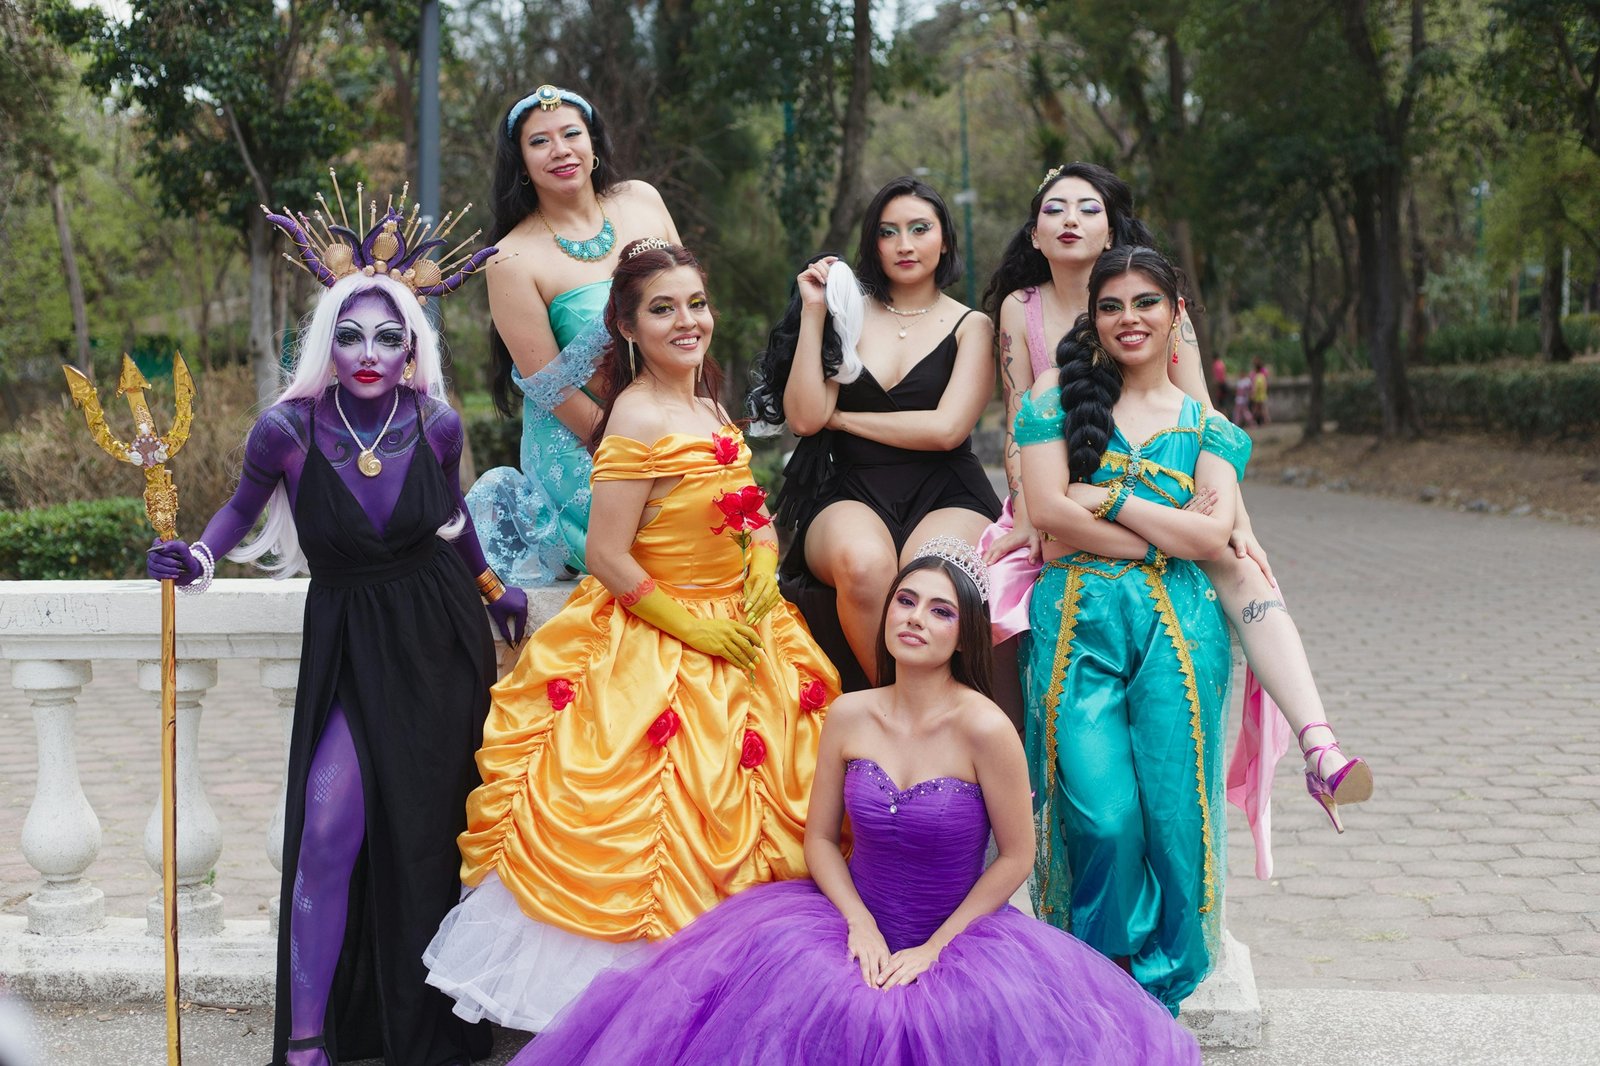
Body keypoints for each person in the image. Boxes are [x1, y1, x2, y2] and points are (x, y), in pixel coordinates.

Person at [508, 543, 1201, 1065]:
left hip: (954, 936)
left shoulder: (985, 727)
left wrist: (936, 948)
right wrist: (859, 927)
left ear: (964, 633)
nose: (915, 619)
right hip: (849, 926)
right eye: (905, 601)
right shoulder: (849, 713)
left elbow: (1016, 857)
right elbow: (818, 841)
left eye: (940, 611)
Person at [147, 187, 527, 1066]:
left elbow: (451, 521)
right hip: (352, 635)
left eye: (388, 337)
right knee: (326, 830)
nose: (368, 352)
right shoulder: (285, 428)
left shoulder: (434, 423)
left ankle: (425, 1028)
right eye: (350, 335)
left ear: (412, 348)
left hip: (438, 638)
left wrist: (490, 582)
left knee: (428, 837)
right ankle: (310, 1040)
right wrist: (197, 562)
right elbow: (236, 515)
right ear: (326, 342)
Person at [425, 239, 841, 1032]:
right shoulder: (637, 417)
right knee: (658, 815)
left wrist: (760, 559)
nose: (687, 322)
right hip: (658, 637)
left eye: (696, 304)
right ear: (626, 325)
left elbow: (749, 507)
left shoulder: (710, 407)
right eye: (663, 309)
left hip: (748, 632)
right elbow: (611, 557)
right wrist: (693, 627)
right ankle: (651, 1019)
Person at [980, 163, 1371, 860]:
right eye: (1054, 208)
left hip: (1163, 480)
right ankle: (1023, 798)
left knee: (1244, 569)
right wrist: (1023, 512)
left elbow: (1204, 419)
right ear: (1034, 231)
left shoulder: (1154, 298)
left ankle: (1320, 745)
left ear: (1112, 226)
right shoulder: (1021, 306)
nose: (1071, 219)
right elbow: (1017, 417)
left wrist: (1239, 527)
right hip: (1060, 483)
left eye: (1088, 207)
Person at [1017, 247, 1363, 1014]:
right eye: (1111, 306)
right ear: (1093, 318)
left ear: (1178, 314)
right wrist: (1168, 531)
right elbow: (1046, 517)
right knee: (1102, 817)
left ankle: (1155, 1003)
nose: (1128, 319)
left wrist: (1103, 502)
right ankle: (1092, 984)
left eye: (1146, 303)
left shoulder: (1209, 426)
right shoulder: (1054, 397)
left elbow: (1212, 545)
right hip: (1078, 627)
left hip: (1182, 635)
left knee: (1177, 819)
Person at [750, 176, 1000, 691]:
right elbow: (802, 418)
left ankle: (938, 713)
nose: (904, 244)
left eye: (919, 229)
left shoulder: (972, 325)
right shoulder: (849, 311)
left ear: (945, 239)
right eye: (889, 232)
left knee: (926, 577)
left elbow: (946, 430)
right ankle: (895, 706)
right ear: (873, 244)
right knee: (866, 567)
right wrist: (816, 311)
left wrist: (839, 420)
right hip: (851, 486)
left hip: (946, 489)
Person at [466, 84, 681, 587]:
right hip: (586, 442)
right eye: (540, 141)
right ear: (520, 162)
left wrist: (688, 427)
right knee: (667, 536)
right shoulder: (510, 258)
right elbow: (553, 390)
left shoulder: (642, 200)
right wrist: (636, 453)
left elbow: (688, 308)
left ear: (593, 144)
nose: (560, 150)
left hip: (674, 413)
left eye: (571, 134)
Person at [1250, 359, 1271, 425]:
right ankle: (1266, 421)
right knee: (1263, 409)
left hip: (1258, 396)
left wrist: (1252, 394)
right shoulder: (1263, 376)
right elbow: (1265, 385)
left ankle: (1252, 421)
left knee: (1255, 410)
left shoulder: (1257, 377)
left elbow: (1255, 387)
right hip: (1263, 395)